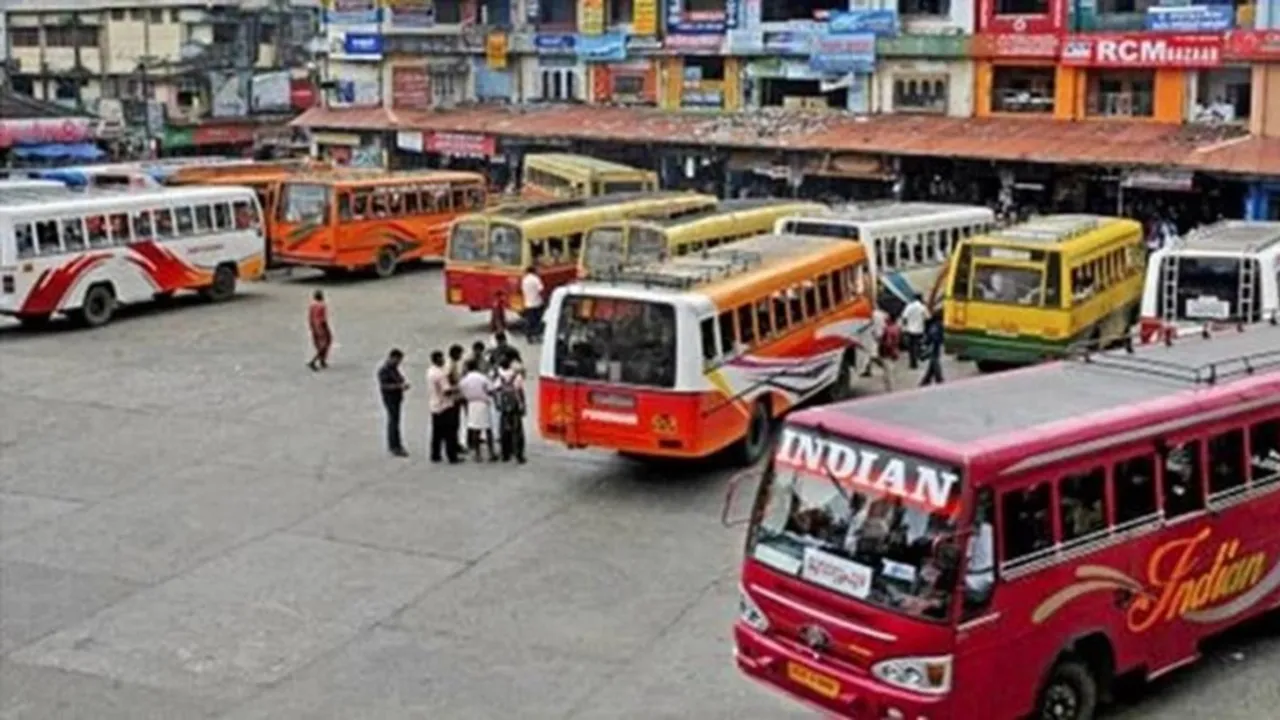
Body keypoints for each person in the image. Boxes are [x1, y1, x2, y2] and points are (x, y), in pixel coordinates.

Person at [458, 359, 498, 462]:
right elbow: (491, 390)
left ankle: (477, 454)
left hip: (472, 404)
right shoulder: (482, 378)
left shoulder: (464, 379)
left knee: (475, 430)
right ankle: (491, 453)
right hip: (483, 403)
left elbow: (461, 391)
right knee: (488, 429)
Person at [426, 350, 459, 463]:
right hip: (445, 405)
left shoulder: (430, 371)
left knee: (437, 433)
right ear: (438, 360)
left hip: (434, 405)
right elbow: (446, 391)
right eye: (441, 358)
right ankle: (452, 456)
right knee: (450, 432)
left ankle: (435, 454)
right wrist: (457, 388)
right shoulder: (440, 375)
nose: (443, 360)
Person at [493, 354, 527, 463]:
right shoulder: (517, 376)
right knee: (517, 430)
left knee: (504, 429)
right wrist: (523, 406)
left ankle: (505, 454)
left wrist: (497, 403)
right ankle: (519, 455)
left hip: (504, 406)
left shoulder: (499, 376)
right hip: (515, 406)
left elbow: (495, 390)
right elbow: (520, 392)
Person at [377, 349, 410, 457]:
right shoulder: (384, 370)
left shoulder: (393, 368)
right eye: (398, 360)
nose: (399, 362)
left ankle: (396, 444)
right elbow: (384, 386)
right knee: (393, 422)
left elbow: (398, 377)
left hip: (396, 398)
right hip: (390, 399)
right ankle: (394, 446)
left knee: (396, 421)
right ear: (392, 357)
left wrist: (402, 382)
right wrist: (399, 386)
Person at [446, 343, 467, 455]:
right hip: (454, 397)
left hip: (456, 396)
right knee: (453, 422)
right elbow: (450, 379)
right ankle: (453, 444)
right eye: (460, 354)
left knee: (456, 422)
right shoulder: (450, 365)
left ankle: (455, 443)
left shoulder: (453, 364)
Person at [900, 294, 929, 370]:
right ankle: (918, 358)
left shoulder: (909, 306)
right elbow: (928, 317)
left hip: (910, 330)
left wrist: (904, 327)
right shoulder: (922, 307)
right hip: (919, 330)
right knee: (917, 345)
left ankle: (912, 363)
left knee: (911, 347)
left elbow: (904, 317)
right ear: (921, 299)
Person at [307, 290, 332, 371]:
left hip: (314, 325)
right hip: (321, 326)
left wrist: (311, 326)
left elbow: (309, 317)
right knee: (326, 343)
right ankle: (314, 361)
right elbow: (323, 319)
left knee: (319, 343)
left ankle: (322, 360)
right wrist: (326, 328)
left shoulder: (312, 305)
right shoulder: (322, 305)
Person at [520, 265, 545, 343]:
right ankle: (536, 335)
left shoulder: (524, 280)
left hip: (528, 303)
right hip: (537, 303)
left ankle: (529, 336)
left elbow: (522, 290)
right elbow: (541, 289)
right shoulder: (536, 279)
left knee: (530, 320)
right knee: (537, 320)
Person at [920, 313, 945, 386]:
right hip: (936, 345)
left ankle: (930, 378)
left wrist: (925, 342)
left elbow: (931, 336)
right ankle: (933, 378)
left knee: (934, 360)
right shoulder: (939, 325)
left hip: (934, 345)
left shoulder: (935, 326)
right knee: (934, 360)